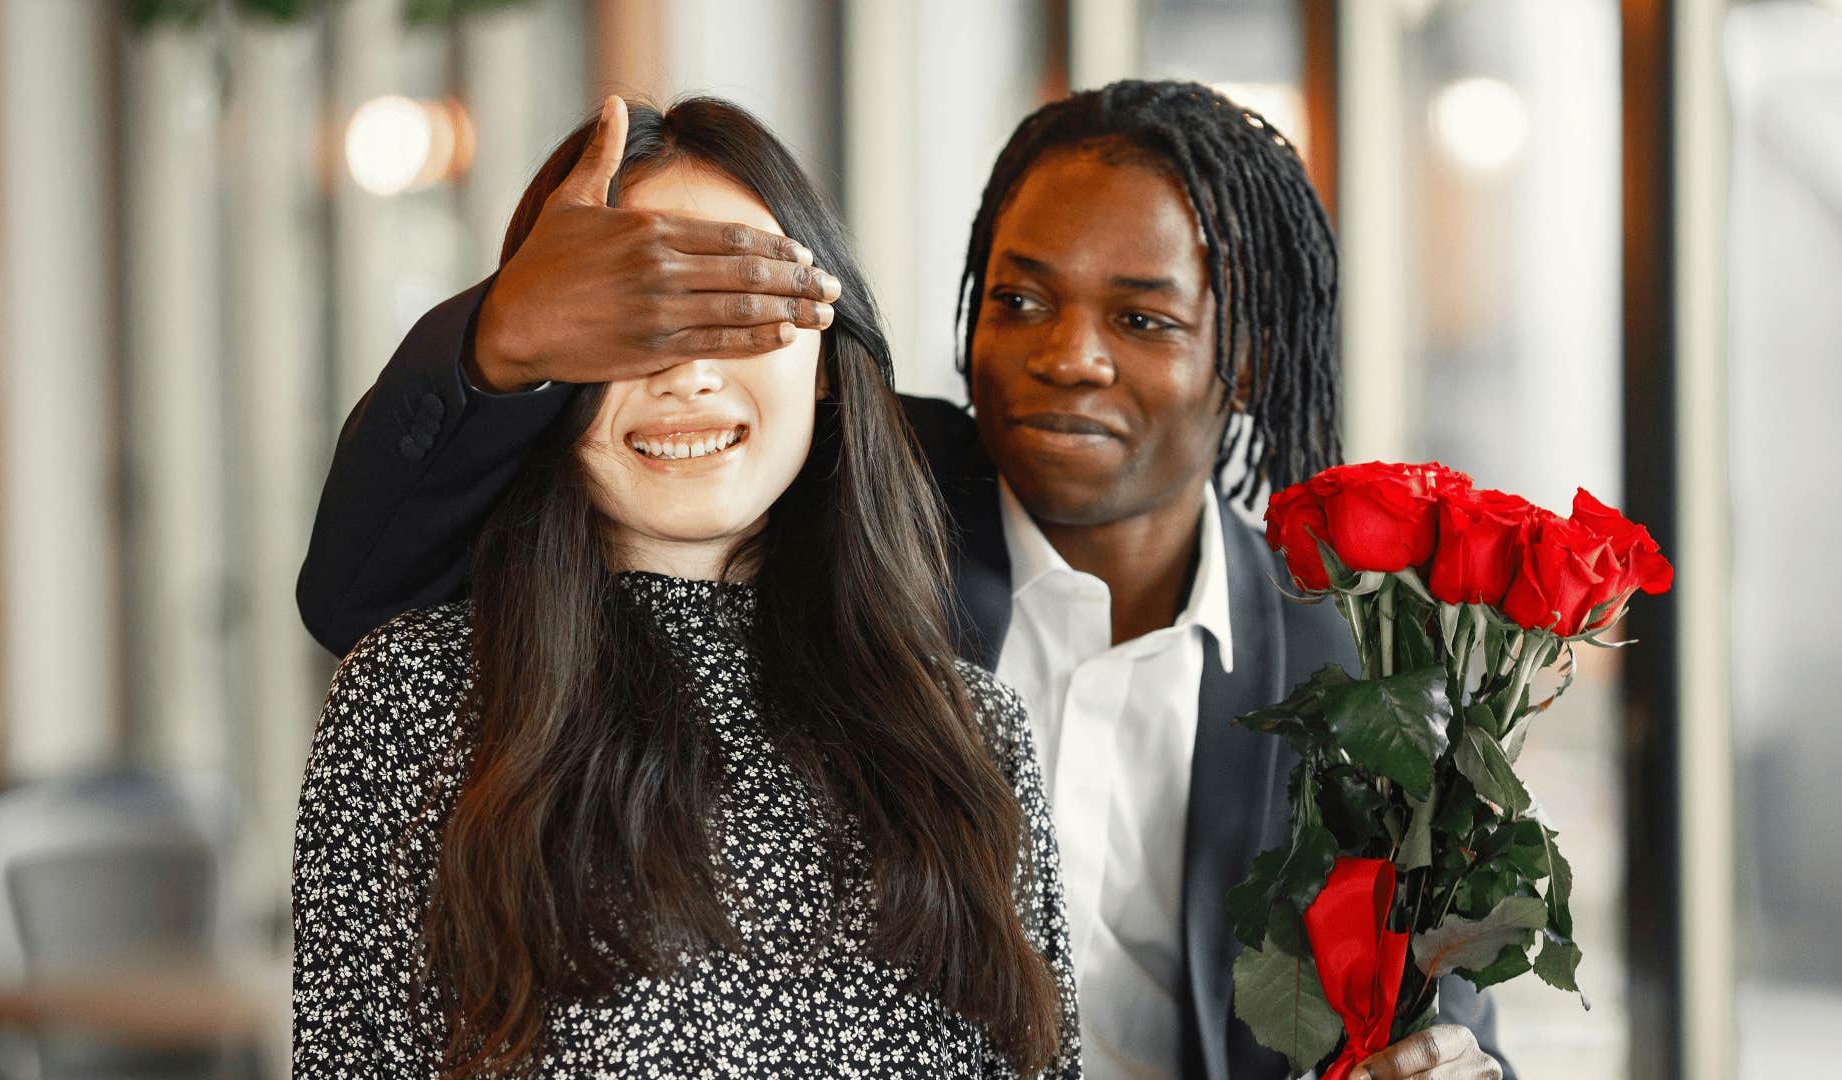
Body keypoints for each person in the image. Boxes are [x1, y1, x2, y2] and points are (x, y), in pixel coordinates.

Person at [298, 82, 1508, 1079]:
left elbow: (1433, 1001)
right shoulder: (838, 495)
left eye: (1142, 320)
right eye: (1020, 299)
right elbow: (370, 586)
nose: (1069, 357)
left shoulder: (1348, 686)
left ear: (1244, 359)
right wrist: (504, 336)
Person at [292, 97, 1079, 1079]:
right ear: (546, 352)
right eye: (637, 318)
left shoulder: (975, 732)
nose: (688, 374)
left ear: (827, 361)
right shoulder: (418, 700)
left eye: (739, 307)